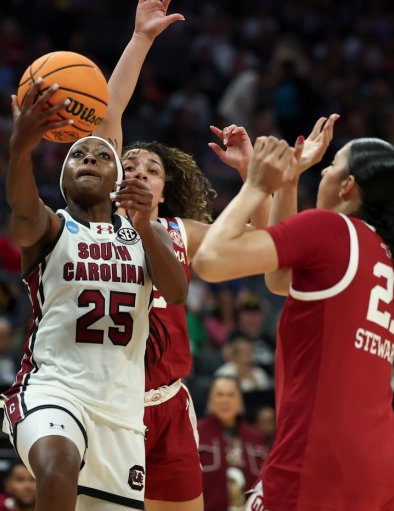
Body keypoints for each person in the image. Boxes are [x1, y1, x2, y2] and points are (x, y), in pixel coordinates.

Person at [0, 38, 188, 511]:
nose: (90, 161)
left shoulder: (143, 234)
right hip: (52, 389)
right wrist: (20, 150)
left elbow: (177, 291)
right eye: (79, 156)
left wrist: (146, 226)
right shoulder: (52, 227)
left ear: (117, 179)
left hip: (119, 411)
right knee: (57, 468)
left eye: (101, 157)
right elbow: (22, 211)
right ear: (62, 178)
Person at [192, 129, 394, 510]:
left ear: (347, 185)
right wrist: (287, 182)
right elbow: (281, 279)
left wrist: (257, 185)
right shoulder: (390, 253)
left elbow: (211, 260)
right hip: (382, 463)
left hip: (320, 459)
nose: (323, 171)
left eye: (332, 164)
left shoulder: (330, 230)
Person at [92, 2, 267, 508]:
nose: (139, 172)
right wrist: (141, 39)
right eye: (130, 165)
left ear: (165, 192)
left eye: (152, 170)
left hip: (167, 403)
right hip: (105, 403)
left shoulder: (181, 232)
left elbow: (266, 237)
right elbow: (108, 113)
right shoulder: (95, 220)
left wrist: (252, 175)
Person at [197, 376, 268, 511]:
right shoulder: (196, 433)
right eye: (220, 395)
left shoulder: (256, 437)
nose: (225, 400)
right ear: (210, 400)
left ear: (240, 400)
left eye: (231, 395)